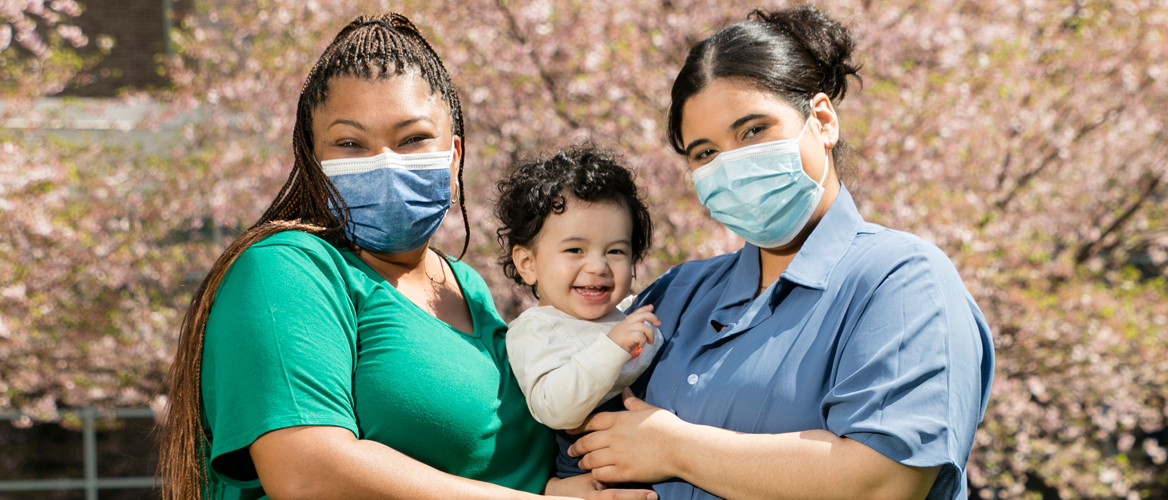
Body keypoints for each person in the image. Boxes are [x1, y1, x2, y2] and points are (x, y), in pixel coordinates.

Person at [156, 14, 655, 500]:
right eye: (351, 143)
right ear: (314, 159)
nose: (386, 163)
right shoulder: (286, 270)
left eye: (413, 139)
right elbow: (305, 471)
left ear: (454, 154)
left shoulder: (466, 285)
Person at [567, 6, 995, 500]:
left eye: (753, 131)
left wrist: (675, 448)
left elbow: (883, 480)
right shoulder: (676, 295)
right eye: (705, 153)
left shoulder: (901, 280)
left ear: (823, 120)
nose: (733, 164)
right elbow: (577, 432)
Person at [493, 146, 662, 475]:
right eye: (575, 249)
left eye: (615, 251)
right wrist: (612, 346)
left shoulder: (625, 313)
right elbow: (555, 409)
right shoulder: (535, 329)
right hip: (594, 471)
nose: (598, 266)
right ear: (528, 264)